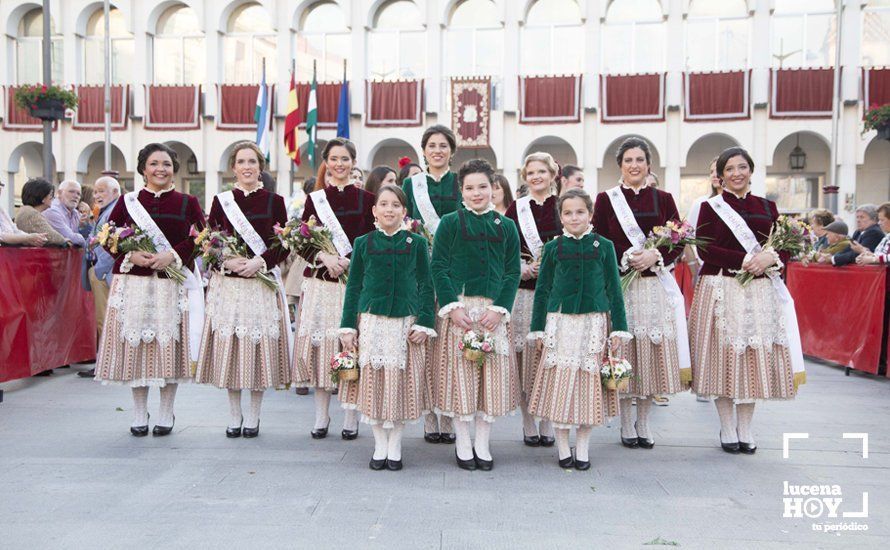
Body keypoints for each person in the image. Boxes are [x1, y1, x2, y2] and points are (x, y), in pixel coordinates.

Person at [689, 146, 804, 455]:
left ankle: (746, 427)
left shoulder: (768, 206)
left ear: (750, 170)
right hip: (721, 286)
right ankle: (727, 426)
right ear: (721, 175)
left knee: (751, 359)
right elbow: (706, 248)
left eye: (742, 167)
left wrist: (769, 257)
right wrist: (745, 259)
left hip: (758, 291)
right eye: (730, 169)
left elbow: (786, 246)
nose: (736, 173)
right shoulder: (710, 207)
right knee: (722, 357)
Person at [93, 143, 206, 437]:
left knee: (169, 348)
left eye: (166, 164)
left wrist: (174, 255)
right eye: (154, 163)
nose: (161, 169)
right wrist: (130, 255)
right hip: (134, 284)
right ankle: (139, 411)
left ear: (174, 169)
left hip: (171, 283)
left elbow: (202, 238)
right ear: (143, 168)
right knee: (137, 348)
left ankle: (167, 411)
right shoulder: (128, 201)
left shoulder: (187, 202)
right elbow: (107, 236)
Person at [593, 137, 688, 450]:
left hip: (654, 286)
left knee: (648, 351)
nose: (634, 165)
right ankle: (624, 423)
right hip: (622, 286)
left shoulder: (663, 198)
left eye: (639, 160)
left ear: (649, 164)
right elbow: (600, 239)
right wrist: (627, 256)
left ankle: (644, 421)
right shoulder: (606, 200)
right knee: (623, 350)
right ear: (620, 165)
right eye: (628, 160)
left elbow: (678, 239)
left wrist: (655, 256)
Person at [527, 188, 631, 469]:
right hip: (560, 325)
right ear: (560, 217)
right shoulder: (553, 248)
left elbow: (614, 290)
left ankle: (582, 447)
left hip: (592, 325)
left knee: (587, 387)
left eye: (580, 212)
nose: (574, 218)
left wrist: (619, 329)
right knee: (561, 386)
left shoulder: (604, 246)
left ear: (590, 214)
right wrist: (537, 329)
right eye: (568, 213)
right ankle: (562, 447)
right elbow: (543, 290)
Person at [194, 142, 291, 438]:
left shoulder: (275, 201)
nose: (247, 167)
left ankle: (254, 417)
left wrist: (260, 262)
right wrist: (230, 260)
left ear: (260, 167)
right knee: (232, 350)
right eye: (241, 162)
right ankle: (234, 415)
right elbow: (212, 239)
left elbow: (284, 243)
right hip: (231, 285)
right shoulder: (221, 201)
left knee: (258, 351)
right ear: (233, 167)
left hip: (260, 285)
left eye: (252, 161)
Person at [431, 158, 521, 471]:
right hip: (461, 311)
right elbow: (438, 267)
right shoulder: (450, 223)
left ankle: (482, 441)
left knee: (490, 379)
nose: (477, 193)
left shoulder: (506, 226)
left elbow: (512, 271)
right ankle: (462, 440)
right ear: (462, 191)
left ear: (494, 189)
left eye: (483, 186)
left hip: (492, 314)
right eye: (470, 188)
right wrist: (452, 307)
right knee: (461, 379)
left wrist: (500, 310)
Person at [339, 185, 436, 470]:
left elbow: (425, 284)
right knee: (376, 383)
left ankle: (395, 445)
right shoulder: (363, 243)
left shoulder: (416, 243)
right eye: (384, 204)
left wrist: (425, 322)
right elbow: (353, 286)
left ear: (404, 212)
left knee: (399, 385)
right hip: (373, 323)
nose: (389, 209)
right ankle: (379, 443)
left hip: (405, 324)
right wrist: (347, 326)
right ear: (374, 210)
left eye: (396, 205)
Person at [293, 138, 375, 440]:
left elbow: (372, 239)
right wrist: (325, 257)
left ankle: (351, 414)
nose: (340, 164)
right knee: (322, 348)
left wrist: (351, 261)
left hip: (354, 284)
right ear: (326, 162)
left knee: (352, 346)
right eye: (334, 159)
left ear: (353, 162)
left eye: (345, 159)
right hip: (322, 283)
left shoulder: (367, 199)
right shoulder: (315, 200)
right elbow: (303, 241)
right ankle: (321, 414)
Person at [401, 124, 461, 445]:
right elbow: (402, 221)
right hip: (420, 271)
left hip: (453, 273)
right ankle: (429, 416)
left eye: (443, 145)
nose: (437, 150)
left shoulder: (461, 183)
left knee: (449, 348)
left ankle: (449, 416)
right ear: (423, 150)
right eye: (431, 145)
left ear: (452, 150)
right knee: (424, 345)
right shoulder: (412, 185)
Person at [504, 152, 562, 447]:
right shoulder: (517, 208)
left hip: (554, 296)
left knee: (550, 358)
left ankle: (548, 420)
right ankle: (528, 421)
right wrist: (521, 268)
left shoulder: (563, 207)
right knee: (525, 357)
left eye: (542, 171)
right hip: (525, 293)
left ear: (553, 175)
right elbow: (504, 247)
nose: (536, 177)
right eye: (531, 173)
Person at [78, 176, 122, 378]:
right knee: (105, 318)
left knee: (104, 319)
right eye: (95, 191)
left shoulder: (114, 210)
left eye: (101, 191)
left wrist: (100, 271)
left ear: (114, 192)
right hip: (103, 271)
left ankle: (107, 364)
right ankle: (108, 362)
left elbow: (110, 244)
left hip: (105, 272)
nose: (96, 195)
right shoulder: (105, 210)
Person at [13, 178, 65, 246]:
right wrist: (65, 240)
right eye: (51, 195)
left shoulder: (26, 211)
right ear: (42, 197)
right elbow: (53, 237)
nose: (53, 198)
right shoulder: (31, 214)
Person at [43, 180, 86, 247]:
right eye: (71, 192)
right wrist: (89, 242)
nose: (76, 196)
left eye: (78, 194)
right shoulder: (52, 211)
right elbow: (71, 238)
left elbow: (93, 234)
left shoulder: (75, 212)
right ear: (59, 193)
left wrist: (89, 219)